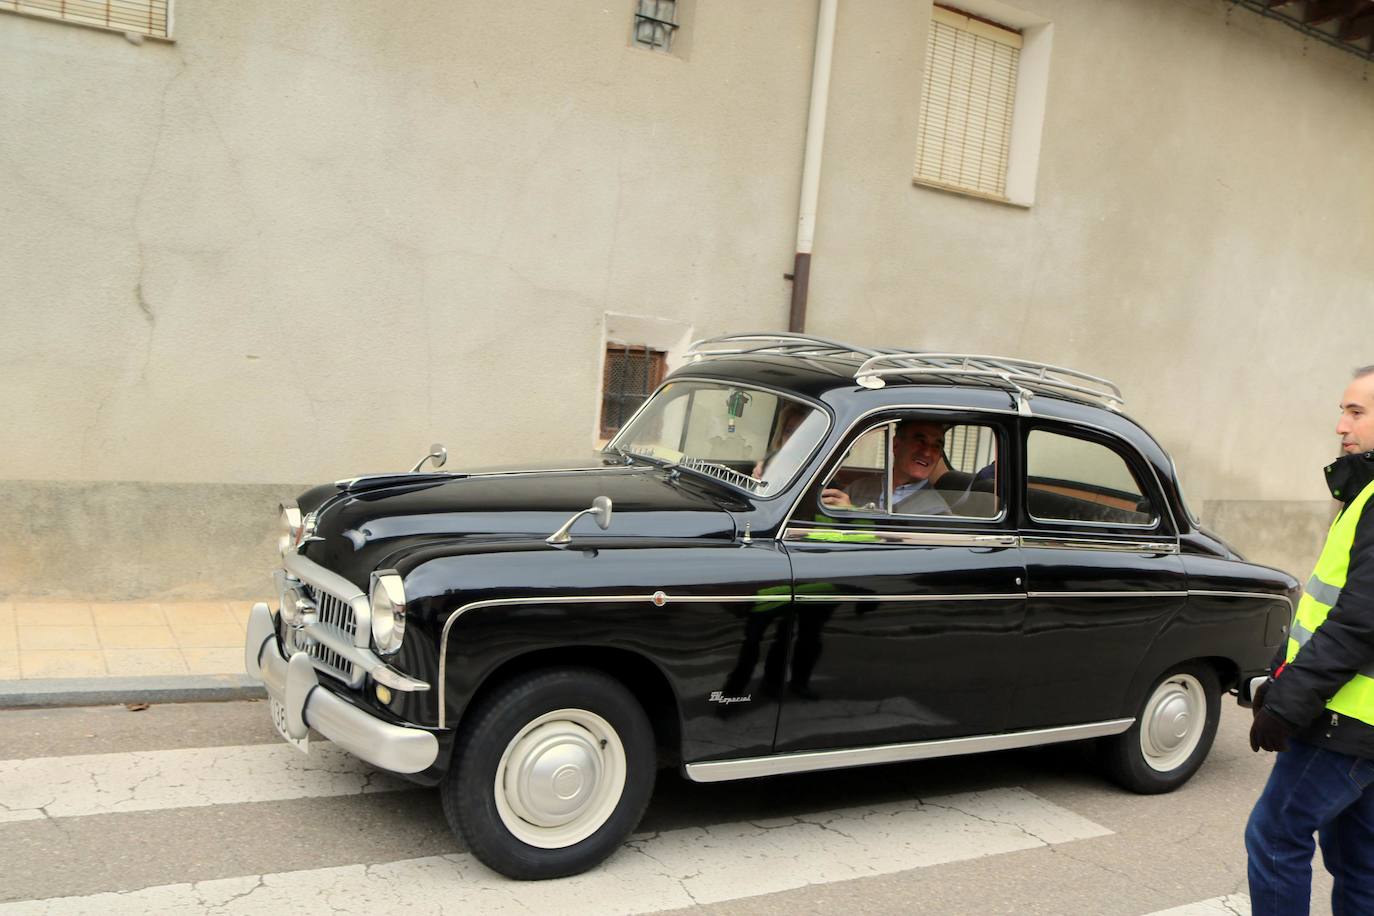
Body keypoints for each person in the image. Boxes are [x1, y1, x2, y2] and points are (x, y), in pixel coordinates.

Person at [1245, 365, 1374, 916]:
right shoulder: (1364, 495)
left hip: (1345, 720)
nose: (1340, 425)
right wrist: (1280, 672)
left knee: (1275, 836)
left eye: (1356, 412)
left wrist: (1289, 704)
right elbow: (1327, 607)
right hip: (1359, 718)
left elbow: (1359, 622)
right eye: (1342, 410)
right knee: (1359, 857)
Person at [822, 419, 951, 516]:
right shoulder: (859, 487)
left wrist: (852, 514)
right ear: (895, 445)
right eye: (920, 441)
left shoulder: (937, 512)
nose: (927, 452)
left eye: (936, 446)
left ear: (940, 455)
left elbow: (890, 548)